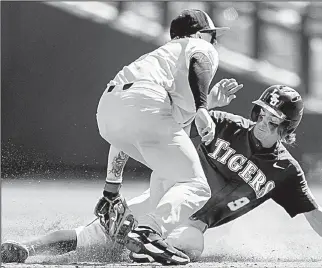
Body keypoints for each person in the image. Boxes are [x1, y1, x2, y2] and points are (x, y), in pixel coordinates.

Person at [2, 85, 322, 265]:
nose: (263, 120)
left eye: (273, 119)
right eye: (261, 112)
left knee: (189, 245)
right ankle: (27, 248)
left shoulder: (285, 171)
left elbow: (312, 212)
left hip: (193, 223)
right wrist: (206, 105)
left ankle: (141, 251)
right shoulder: (226, 125)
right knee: (91, 238)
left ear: (288, 127)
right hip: (163, 199)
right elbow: (174, 121)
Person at [94, 8, 231, 265]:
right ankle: (149, 232)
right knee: (196, 185)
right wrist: (203, 107)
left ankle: (128, 221)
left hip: (107, 109)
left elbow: (135, 121)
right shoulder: (199, 46)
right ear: (200, 34)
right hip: (145, 101)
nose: (215, 41)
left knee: (173, 174)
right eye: (212, 35)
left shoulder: (160, 61)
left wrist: (111, 188)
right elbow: (200, 59)